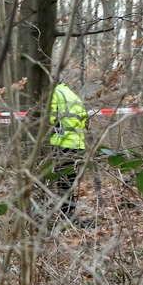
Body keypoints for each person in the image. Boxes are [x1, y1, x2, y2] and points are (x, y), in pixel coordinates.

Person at [45, 80, 88, 217]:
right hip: (77, 144)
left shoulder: (54, 93)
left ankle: (66, 214)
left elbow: (49, 118)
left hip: (62, 142)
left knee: (61, 180)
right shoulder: (71, 94)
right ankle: (68, 213)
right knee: (68, 180)